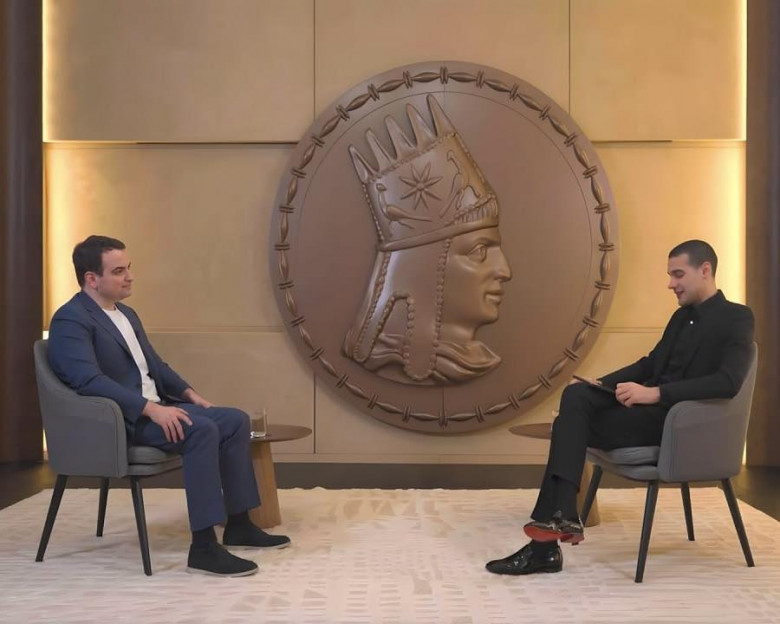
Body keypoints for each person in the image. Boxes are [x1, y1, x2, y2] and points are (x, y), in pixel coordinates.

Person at [486, 240, 755, 575]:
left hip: (677, 424)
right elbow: (649, 364)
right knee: (577, 397)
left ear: (705, 270)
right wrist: (600, 383)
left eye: (677, 274)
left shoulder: (738, 318)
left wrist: (655, 394)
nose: (670, 283)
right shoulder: (680, 317)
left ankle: (548, 543)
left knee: (568, 426)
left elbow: (728, 382)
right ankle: (562, 518)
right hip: (646, 412)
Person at [47, 235, 290, 577]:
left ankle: (238, 524)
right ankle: (203, 548)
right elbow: (88, 381)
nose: (130, 276)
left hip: (157, 407)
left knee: (234, 420)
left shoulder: (126, 314)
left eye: (128, 268)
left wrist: (190, 394)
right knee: (201, 429)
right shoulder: (70, 320)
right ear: (91, 279)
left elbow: (156, 367)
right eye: (118, 271)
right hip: (122, 420)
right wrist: (150, 409)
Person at [343, 94, 512, 386]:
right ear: (420, 268)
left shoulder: (475, 359)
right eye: (479, 251)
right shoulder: (391, 358)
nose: (505, 270)